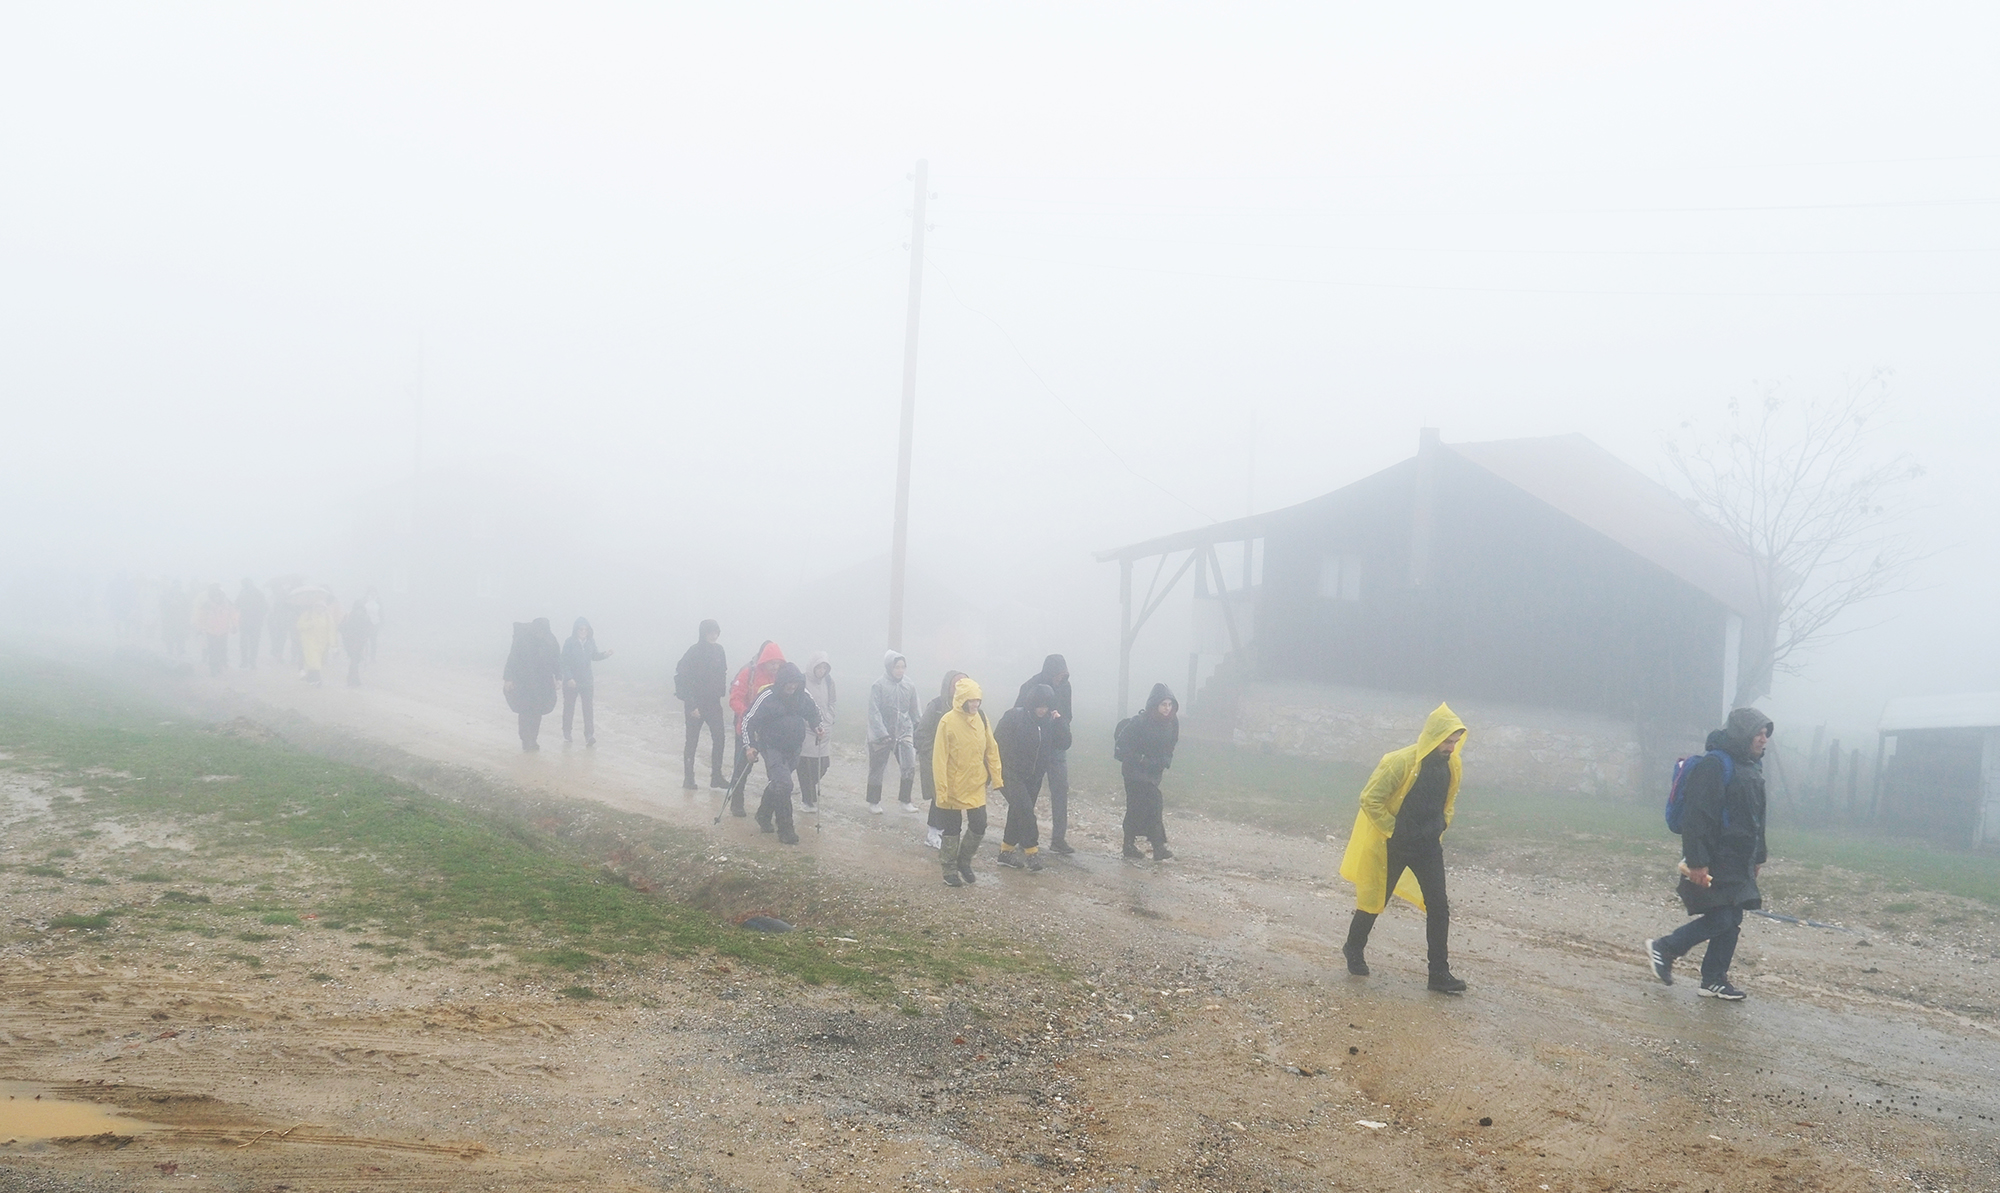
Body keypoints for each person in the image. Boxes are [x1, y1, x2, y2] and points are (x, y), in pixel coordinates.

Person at [1337, 703, 1469, 995]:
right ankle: (1353, 948)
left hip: (1428, 846)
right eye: (1447, 741)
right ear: (1433, 736)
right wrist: (1394, 830)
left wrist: (1443, 823)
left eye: (1455, 742)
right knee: (1374, 900)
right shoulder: (1400, 762)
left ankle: (1438, 973)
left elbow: (1450, 799)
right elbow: (1370, 798)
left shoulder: (1453, 765)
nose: (1450, 747)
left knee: (1439, 906)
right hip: (1393, 846)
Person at [1646, 708, 1773, 1001]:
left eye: (1766, 733)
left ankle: (1714, 979)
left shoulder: (1751, 767)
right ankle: (1665, 948)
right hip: (1715, 856)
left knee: (1733, 918)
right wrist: (1697, 862)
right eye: (1759, 732)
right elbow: (1697, 818)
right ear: (1743, 733)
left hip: (1739, 858)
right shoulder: (1716, 765)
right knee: (1721, 919)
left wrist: (1758, 857)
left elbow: (1757, 817)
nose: (1764, 738)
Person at [743, 661, 823, 845]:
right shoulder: (767, 696)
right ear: (781, 681)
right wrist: (750, 746)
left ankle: (763, 815)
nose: (792, 686)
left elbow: (814, 713)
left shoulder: (802, 696)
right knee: (785, 784)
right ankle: (786, 830)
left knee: (779, 784)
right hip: (771, 747)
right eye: (788, 682)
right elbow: (748, 720)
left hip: (794, 748)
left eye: (795, 683)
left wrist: (817, 726)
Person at [932, 676, 1001, 887]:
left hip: (976, 784)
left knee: (979, 824)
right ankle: (949, 869)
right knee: (952, 830)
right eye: (971, 700)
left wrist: (996, 776)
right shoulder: (947, 721)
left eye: (977, 700)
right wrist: (941, 789)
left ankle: (964, 861)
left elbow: (991, 747)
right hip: (953, 786)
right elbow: (940, 758)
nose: (975, 704)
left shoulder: (981, 717)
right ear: (961, 699)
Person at [995, 684, 1057, 872]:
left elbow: (1064, 742)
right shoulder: (1014, 717)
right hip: (1011, 773)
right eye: (1039, 706)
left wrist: (1060, 723)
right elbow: (997, 742)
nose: (1042, 710)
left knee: (1018, 811)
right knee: (1026, 811)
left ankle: (1005, 851)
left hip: (1034, 776)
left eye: (1046, 706)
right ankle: (1031, 852)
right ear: (1031, 703)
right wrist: (997, 769)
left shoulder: (1049, 722)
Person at [1016, 655, 1075, 854]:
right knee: (1029, 791)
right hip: (1035, 746)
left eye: (1064, 675)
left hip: (1057, 747)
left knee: (1061, 790)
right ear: (1050, 672)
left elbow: (1069, 714)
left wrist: (1061, 722)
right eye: (1058, 675)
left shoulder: (1066, 688)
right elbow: (1018, 714)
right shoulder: (1030, 686)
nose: (1061, 678)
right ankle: (1021, 835)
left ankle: (1058, 839)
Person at [1116, 683, 1181, 862]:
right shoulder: (1140, 722)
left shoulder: (1172, 723)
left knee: (1138, 808)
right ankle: (1158, 847)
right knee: (1153, 804)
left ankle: (1129, 845)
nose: (1167, 709)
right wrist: (1141, 759)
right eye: (1163, 705)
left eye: (1169, 705)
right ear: (1154, 705)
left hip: (1153, 772)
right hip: (1134, 772)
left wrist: (1165, 760)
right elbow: (1123, 745)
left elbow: (1171, 745)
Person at [866, 651, 923, 815]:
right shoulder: (878, 685)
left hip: (904, 731)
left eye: (902, 667)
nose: (900, 670)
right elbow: (874, 711)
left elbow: (914, 710)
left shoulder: (909, 685)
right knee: (877, 768)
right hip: (881, 734)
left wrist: (917, 728)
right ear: (889, 667)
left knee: (909, 765)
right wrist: (881, 733)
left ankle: (905, 800)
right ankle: (874, 801)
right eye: (897, 667)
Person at [674, 620, 729, 789]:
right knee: (692, 741)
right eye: (710, 632)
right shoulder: (693, 651)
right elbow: (681, 678)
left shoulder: (720, 651)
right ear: (702, 633)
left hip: (713, 703)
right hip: (695, 704)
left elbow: (723, 672)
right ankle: (688, 778)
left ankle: (716, 776)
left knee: (720, 738)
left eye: (716, 632)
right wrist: (691, 705)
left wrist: (721, 691)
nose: (713, 636)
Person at [918, 670, 967, 850]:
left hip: (958, 764)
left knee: (953, 798)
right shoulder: (937, 706)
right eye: (956, 684)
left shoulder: (969, 709)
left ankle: (947, 833)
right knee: (939, 796)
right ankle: (933, 833)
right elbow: (922, 733)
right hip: (936, 760)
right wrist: (933, 755)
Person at [728, 641, 786, 791]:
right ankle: (736, 800)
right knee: (742, 767)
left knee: (774, 770)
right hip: (747, 727)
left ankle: (768, 809)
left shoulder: (782, 677)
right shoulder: (749, 673)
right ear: (764, 660)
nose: (774, 666)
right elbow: (734, 699)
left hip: (770, 730)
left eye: (777, 663)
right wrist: (748, 714)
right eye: (771, 663)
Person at [503, 618, 562, 751]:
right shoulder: (523, 640)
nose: (540, 633)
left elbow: (557, 660)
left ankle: (532, 739)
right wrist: (508, 679)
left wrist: (559, 677)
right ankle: (525, 739)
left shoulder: (550, 640)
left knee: (537, 712)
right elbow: (512, 658)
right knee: (525, 711)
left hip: (543, 683)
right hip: (524, 682)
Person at [560, 617, 613, 745]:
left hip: (587, 681)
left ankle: (589, 735)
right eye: (581, 629)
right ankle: (567, 732)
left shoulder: (590, 641)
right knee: (569, 708)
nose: (583, 631)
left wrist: (605, 655)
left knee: (588, 709)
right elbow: (564, 662)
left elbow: (594, 656)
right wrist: (569, 678)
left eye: (585, 629)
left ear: (589, 630)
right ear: (576, 630)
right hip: (571, 682)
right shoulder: (569, 642)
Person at [796, 651, 836, 810]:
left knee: (823, 764)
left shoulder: (829, 681)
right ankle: (808, 799)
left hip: (824, 728)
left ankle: (808, 790)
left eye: (824, 668)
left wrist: (829, 717)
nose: (821, 671)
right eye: (819, 667)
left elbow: (832, 701)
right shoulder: (802, 680)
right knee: (806, 765)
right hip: (806, 729)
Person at [294, 591, 338, 686]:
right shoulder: (307, 614)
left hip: (322, 643)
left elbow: (331, 630)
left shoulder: (327, 616)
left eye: (321, 607)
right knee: (314, 661)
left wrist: (332, 644)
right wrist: (309, 624)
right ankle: (318, 680)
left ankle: (311, 679)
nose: (320, 608)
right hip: (308, 642)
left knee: (316, 661)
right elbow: (299, 625)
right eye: (318, 606)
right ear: (314, 606)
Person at [194, 584, 237, 677]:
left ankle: (220, 666)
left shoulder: (227, 603)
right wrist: (200, 628)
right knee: (212, 650)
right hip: (211, 631)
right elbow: (201, 617)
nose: (217, 597)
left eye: (219, 595)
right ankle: (213, 669)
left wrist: (235, 625)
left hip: (223, 630)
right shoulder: (206, 605)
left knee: (222, 650)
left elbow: (233, 614)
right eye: (215, 595)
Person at [236, 579, 268, 669]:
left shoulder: (244, 593)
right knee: (252, 643)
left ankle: (246, 661)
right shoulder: (258, 593)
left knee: (245, 643)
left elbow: (236, 604)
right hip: (253, 622)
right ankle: (250, 661)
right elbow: (265, 607)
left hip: (248, 621)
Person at [339, 599, 372, 687]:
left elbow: (369, 629)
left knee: (355, 660)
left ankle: (353, 679)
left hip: (360, 642)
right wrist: (347, 635)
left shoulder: (365, 617)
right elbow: (341, 627)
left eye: (361, 609)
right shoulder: (349, 616)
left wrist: (365, 637)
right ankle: (353, 680)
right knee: (354, 660)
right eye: (358, 609)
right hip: (350, 642)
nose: (359, 611)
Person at [159, 580, 191, 659]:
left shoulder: (183, 596)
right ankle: (170, 651)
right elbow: (162, 606)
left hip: (180, 620)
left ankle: (180, 651)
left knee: (180, 636)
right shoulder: (167, 596)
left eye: (178, 587)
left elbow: (186, 608)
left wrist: (185, 617)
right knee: (169, 636)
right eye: (175, 587)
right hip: (169, 620)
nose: (176, 589)